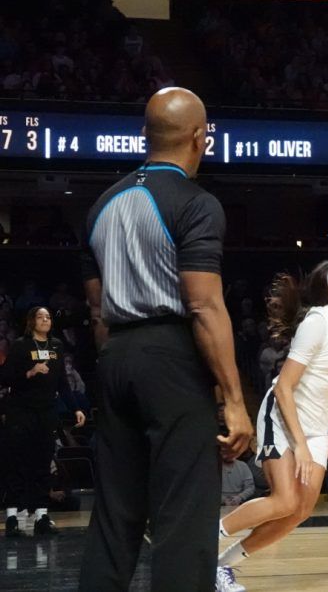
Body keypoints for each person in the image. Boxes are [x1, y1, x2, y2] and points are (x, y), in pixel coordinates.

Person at [78, 87, 253, 592]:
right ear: (200, 138)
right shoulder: (196, 204)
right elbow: (203, 304)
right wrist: (235, 400)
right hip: (170, 358)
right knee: (183, 516)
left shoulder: (101, 205)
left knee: (115, 514)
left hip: (114, 357)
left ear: (145, 136)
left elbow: (96, 310)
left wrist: (119, 366)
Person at [214, 261, 328, 592]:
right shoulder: (317, 324)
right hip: (281, 416)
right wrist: (302, 446)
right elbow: (283, 389)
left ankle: (221, 566)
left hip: (315, 427)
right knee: (284, 501)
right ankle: (203, 542)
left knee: (300, 510)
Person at [4, 307, 86, 537]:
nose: (45, 320)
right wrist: (29, 373)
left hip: (46, 412)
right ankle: (13, 516)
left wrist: (76, 407)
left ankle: (41, 515)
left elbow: (62, 382)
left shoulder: (57, 346)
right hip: (21, 412)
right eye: (40, 317)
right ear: (31, 322)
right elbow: (5, 376)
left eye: (48, 317)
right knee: (18, 463)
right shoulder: (21, 345)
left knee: (42, 462)